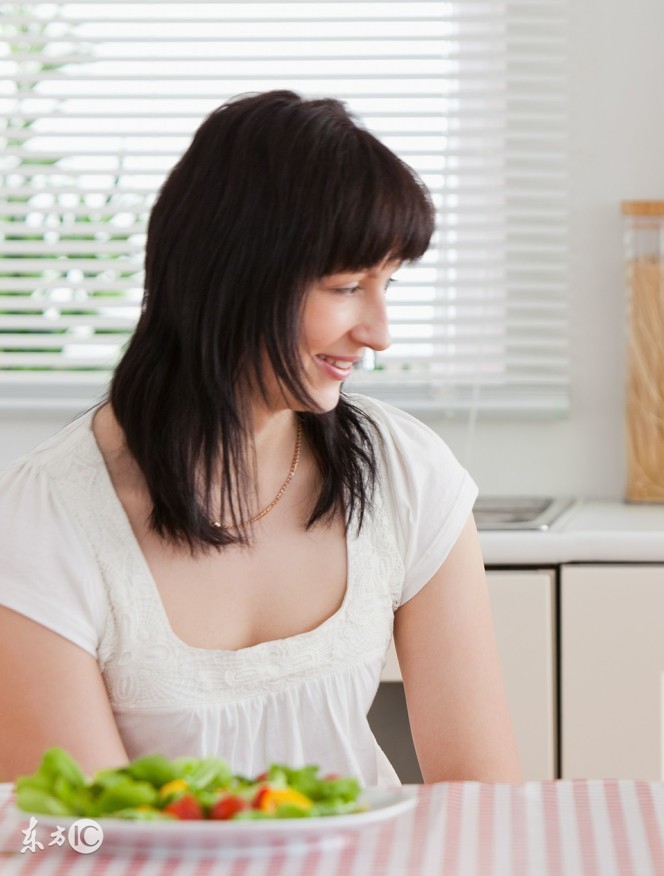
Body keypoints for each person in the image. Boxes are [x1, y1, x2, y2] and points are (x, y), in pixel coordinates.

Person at [0, 90, 521, 787]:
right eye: (346, 286)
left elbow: (482, 798)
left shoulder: (405, 471)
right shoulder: (50, 517)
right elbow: (84, 836)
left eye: (388, 285)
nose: (378, 331)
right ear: (236, 277)